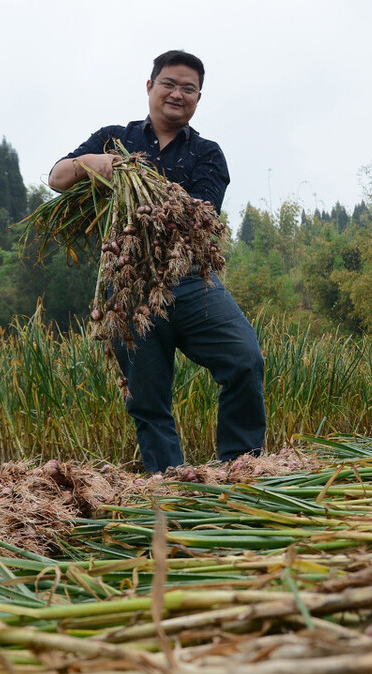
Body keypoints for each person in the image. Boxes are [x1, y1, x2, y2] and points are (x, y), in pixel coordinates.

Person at [48, 49, 265, 474]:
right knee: (146, 396)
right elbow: (56, 178)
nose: (177, 94)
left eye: (189, 89)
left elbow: (198, 217)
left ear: (199, 98)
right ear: (150, 87)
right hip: (127, 286)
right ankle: (170, 486)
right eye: (169, 84)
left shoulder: (208, 154)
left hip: (189, 280)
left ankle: (242, 470)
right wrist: (91, 163)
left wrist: (139, 182)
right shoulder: (114, 138)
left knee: (244, 358)